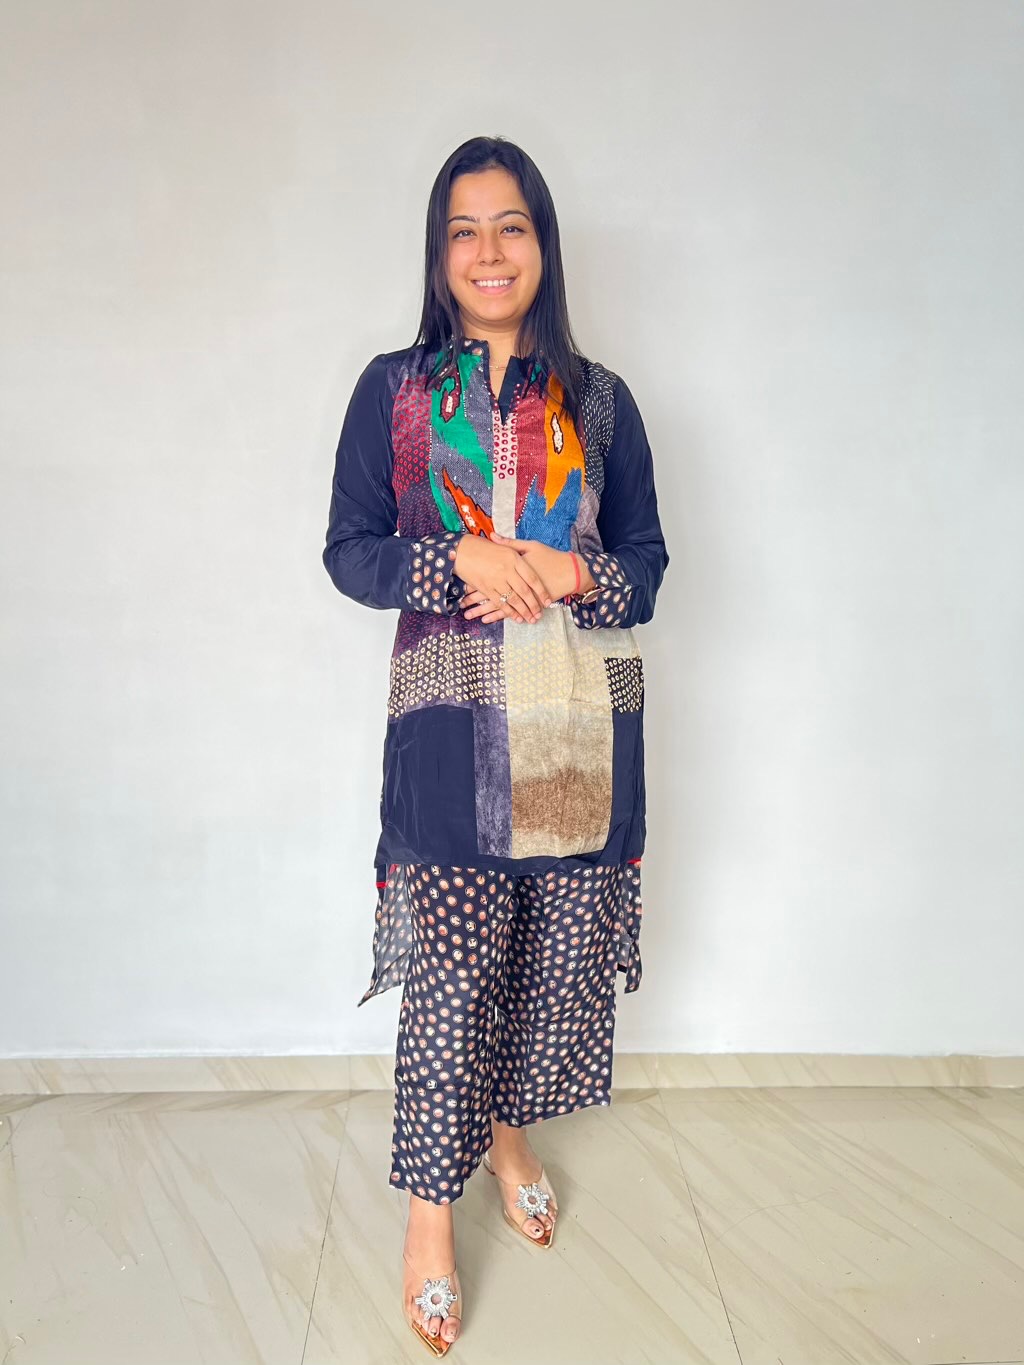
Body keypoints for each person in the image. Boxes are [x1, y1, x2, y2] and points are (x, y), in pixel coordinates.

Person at [322, 134, 669, 1355]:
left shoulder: (602, 401)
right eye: (462, 230)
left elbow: (646, 567)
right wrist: (453, 556)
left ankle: (509, 1137)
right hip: (449, 735)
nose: (487, 251)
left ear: (542, 245)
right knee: (452, 982)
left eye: (510, 225)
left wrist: (576, 573)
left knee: (547, 967)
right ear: (439, 254)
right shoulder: (395, 391)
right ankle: (429, 1219)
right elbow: (350, 550)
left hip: (580, 733)